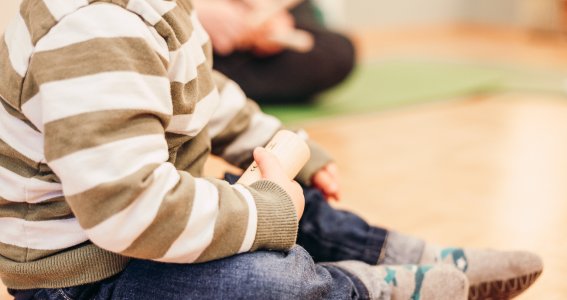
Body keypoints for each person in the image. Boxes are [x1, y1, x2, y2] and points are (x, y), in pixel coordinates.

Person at [0, 0, 541, 299]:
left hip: (141, 232)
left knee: (276, 196)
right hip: (82, 280)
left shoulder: (157, 10)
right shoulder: (92, 30)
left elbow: (204, 94)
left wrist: (279, 149)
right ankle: (359, 288)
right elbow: (129, 211)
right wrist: (268, 207)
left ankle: (391, 252)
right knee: (260, 282)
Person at [193, 0, 356, 104]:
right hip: (182, 24)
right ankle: (205, 86)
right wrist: (195, 11)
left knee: (336, 53)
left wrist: (269, 17)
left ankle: (211, 89)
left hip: (244, 27)